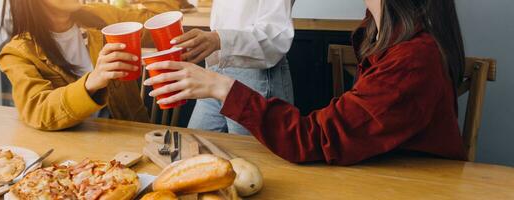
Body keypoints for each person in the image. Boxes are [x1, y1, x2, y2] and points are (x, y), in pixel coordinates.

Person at [144, 0, 467, 165]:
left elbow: (317, 138)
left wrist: (219, 82)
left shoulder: (412, 60)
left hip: (252, 77)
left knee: (262, 172)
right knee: (197, 162)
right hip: (222, 74)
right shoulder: (381, 34)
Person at [0, 0, 179, 131]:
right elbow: (38, 110)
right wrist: (92, 81)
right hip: (76, 154)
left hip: (133, 134)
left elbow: (159, 19)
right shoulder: (17, 52)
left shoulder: (101, 15)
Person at [168, 0, 295, 135]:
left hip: (255, 76)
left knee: (249, 153)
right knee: (193, 145)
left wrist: (219, 39)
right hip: (215, 68)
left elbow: (277, 36)